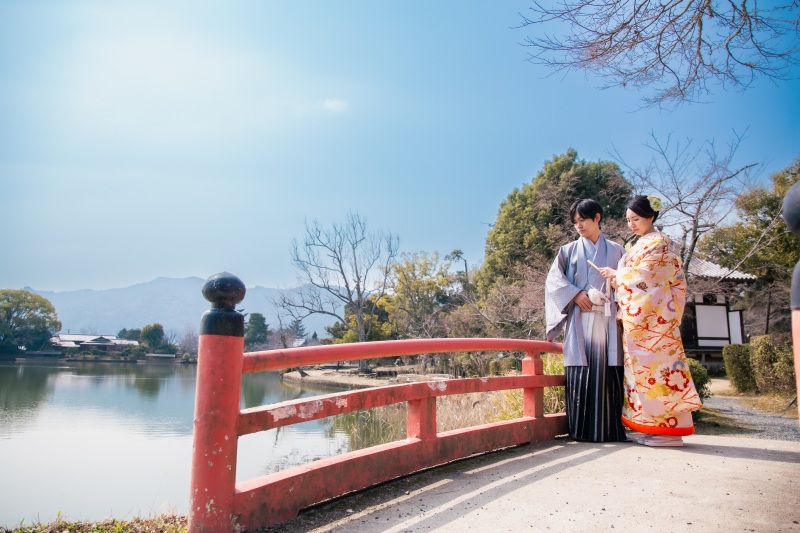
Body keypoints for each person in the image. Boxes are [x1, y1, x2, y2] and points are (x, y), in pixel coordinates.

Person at [598, 195, 702, 447]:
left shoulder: (659, 243)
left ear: (651, 216)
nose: (631, 224)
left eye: (636, 219)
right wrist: (619, 279)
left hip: (655, 322)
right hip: (641, 321)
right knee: (642, 375)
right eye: (628, 220)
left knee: (661, 373)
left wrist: (617, 275)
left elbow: (647, 277)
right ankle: (651, 427)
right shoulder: (639, 244)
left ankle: (670, 431)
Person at [545, 199, 627, 442]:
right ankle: (581, 431)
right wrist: (575, 294)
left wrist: (616, 289)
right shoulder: (567, 251)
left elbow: (630, 281)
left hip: (609, 318)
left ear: (597, 218)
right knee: (582, 372)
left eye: (583, 220)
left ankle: (610, 430)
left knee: (609, 371)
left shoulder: (618, 251)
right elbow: (553, 281)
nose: (578, 226)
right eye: (575, 222)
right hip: (580, 318)